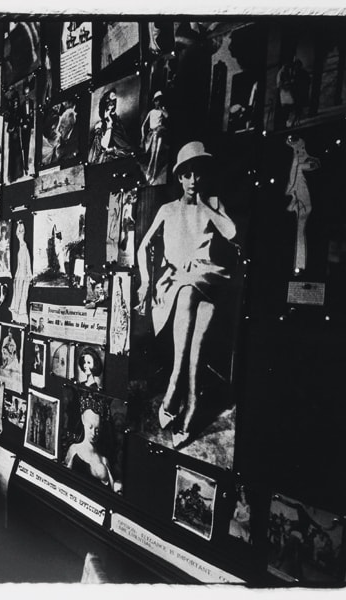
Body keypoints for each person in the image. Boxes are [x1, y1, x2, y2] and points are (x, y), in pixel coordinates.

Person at [135, 141, 238, 447]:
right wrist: (144, 282)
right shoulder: (168, 210)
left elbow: (232, 234)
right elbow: (143, 247)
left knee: (192, 309)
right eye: (187, 174)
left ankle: (177, 391)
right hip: (175, 283)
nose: (194, 180)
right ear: (179, 177)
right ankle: (188, 399)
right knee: (194, 347)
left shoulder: (214, 203)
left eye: (199, 173)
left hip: (208, 277)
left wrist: (205, 204)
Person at [64, 394, 115, 489]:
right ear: (83, 420)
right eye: (90, 427)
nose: (94, 433)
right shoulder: (74, 449)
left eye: (97, 429)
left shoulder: (104, 460)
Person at [88, 88, 135, 164]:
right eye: (110, 103)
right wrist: (109, 124)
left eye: (114, 103)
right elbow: (103, 146)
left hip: (120, 153)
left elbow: (124, 141)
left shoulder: (117, 122)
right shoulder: (99, 125)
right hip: (106, 158)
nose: (112, 105)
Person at [141, 90, 169, 185]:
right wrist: (143, 136)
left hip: (159, 133)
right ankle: (149, 171)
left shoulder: (162, 110)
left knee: (157, 155)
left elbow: (167, 116)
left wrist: (162, 109)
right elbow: (143, 125)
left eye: (160, 100)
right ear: (154, 101)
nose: (158, 102)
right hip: (152, 134)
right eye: (156, 100)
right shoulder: (151, 112)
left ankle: (153, 175)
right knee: (152, 155)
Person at [9, 221, 32, 323]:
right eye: (19, 232)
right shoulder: (20, 247)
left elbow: (27, 262)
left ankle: (21, 315)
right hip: (19, 275)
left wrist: (29, 273)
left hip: (24, 275)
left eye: (22, 231)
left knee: (23, 295)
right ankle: (16, 314)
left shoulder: (24, 247)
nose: (20, 234)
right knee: (17, 295)